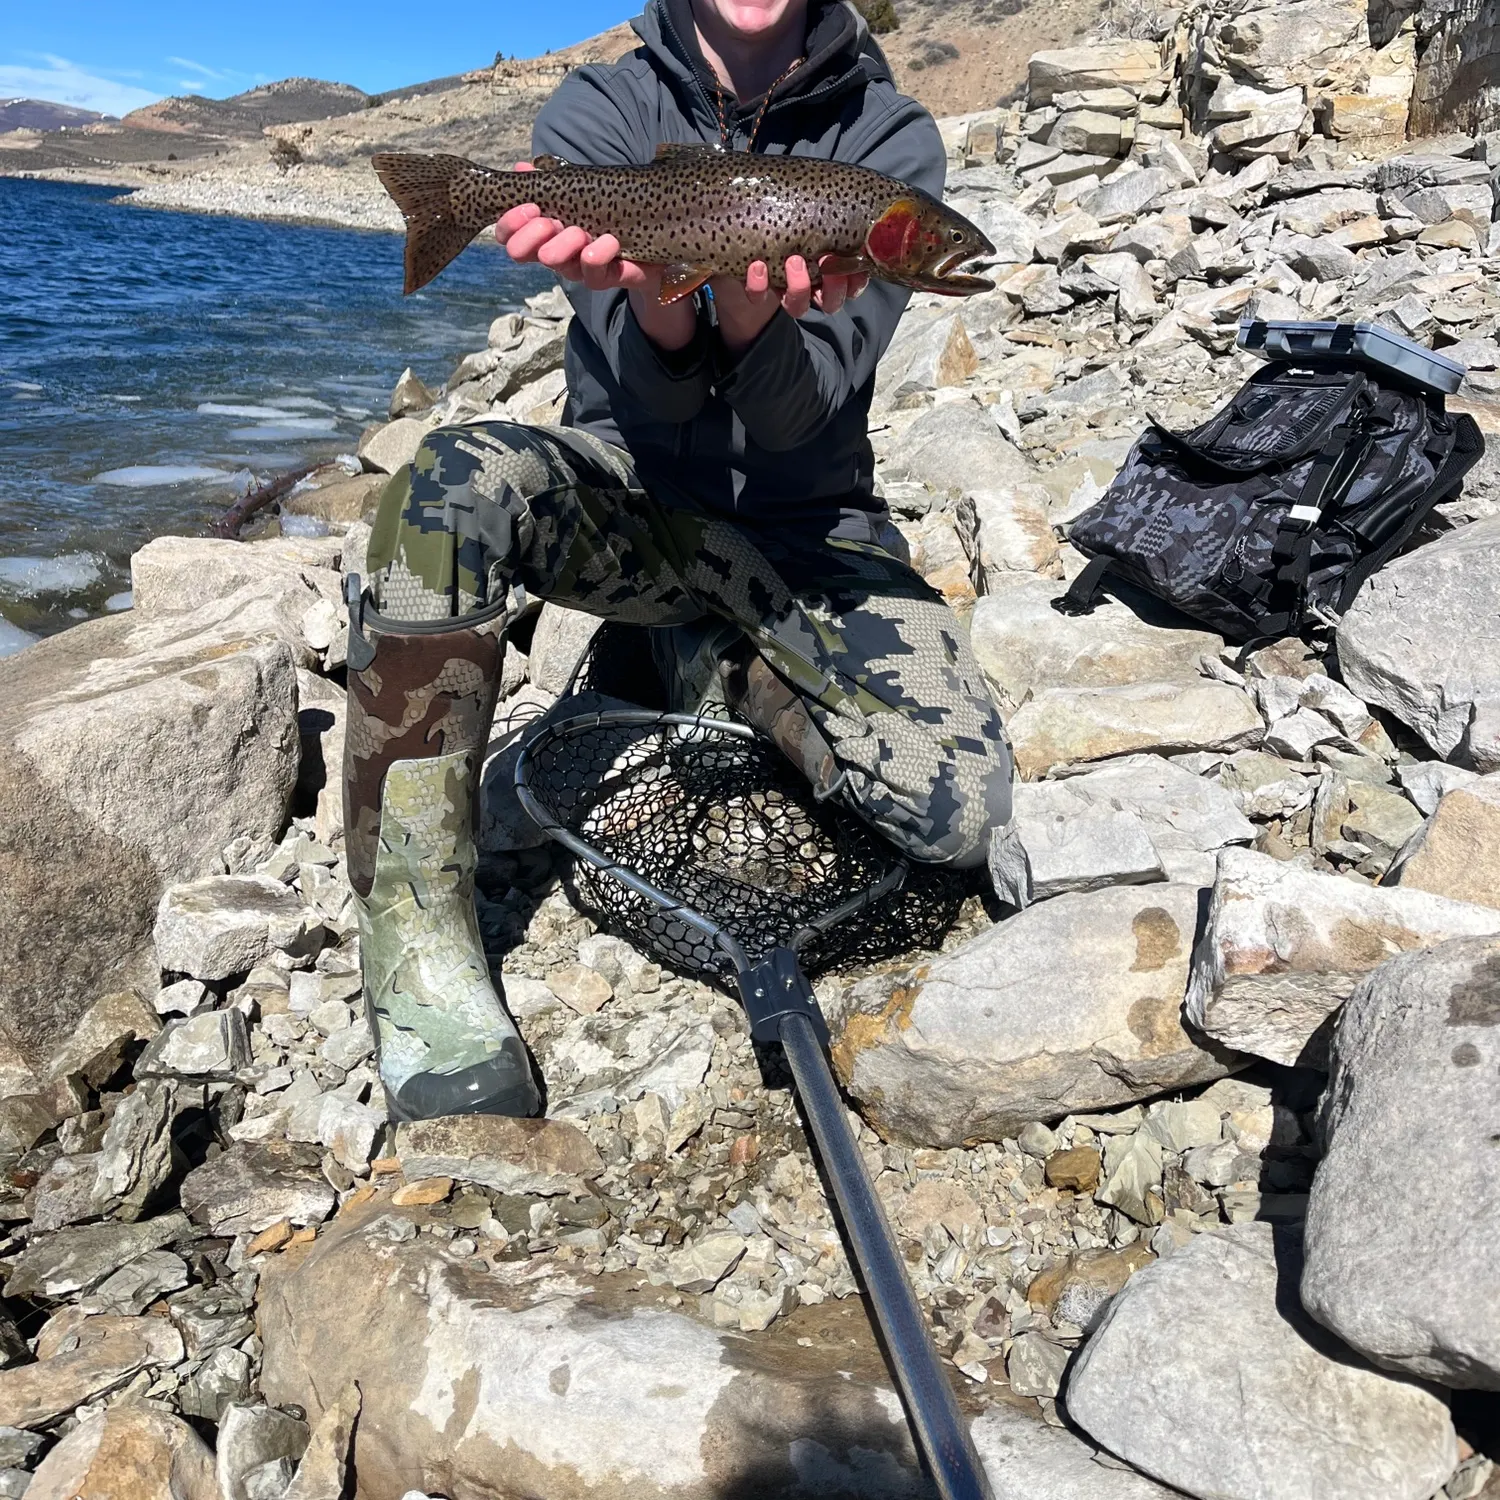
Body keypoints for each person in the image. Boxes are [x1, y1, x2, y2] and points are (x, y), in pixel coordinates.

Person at [342, 0, 1014, 1123]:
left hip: (807, 524)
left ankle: (706, 662)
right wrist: (659, 312)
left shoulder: (889, 143)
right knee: (445, 480)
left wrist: (752, 319)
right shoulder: (600, 111)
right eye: (941, 249)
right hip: (633, 500)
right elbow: (638, 400)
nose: (943, 257)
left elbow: (805, 418)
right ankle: (416, 943)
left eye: (938, 253)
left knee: (958, 812)